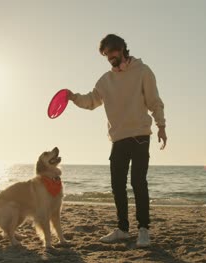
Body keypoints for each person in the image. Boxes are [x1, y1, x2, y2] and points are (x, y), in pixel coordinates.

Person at [66, 34, 167, 248]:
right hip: (118, 139)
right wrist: (73, 96)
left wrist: (161, 126)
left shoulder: (143, 71)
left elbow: (154, 102)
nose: (110, 58)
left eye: (112, 53)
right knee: (117, 186)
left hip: (140, 136)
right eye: (106, 55)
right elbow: (91, 101)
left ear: (122, 49)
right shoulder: (105, 80)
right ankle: (122, 229)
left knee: (138, 183)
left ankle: (143, 230)